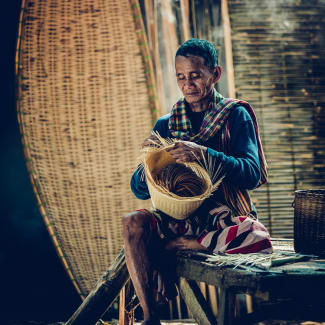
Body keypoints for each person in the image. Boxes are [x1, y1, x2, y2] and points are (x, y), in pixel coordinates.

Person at [122, 39, 271, 325]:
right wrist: (148, 161)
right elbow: (139, 189)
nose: (187, 84)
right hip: (179, 218)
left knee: (255, 235)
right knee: (132, 223)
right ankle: (151, 317)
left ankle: (174, 245)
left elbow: (251, 174)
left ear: (215, 74)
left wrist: (205, 154)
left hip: (223, 217)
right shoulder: (166, 124)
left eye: (195, 75)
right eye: (180, 77)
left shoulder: (235, 115)